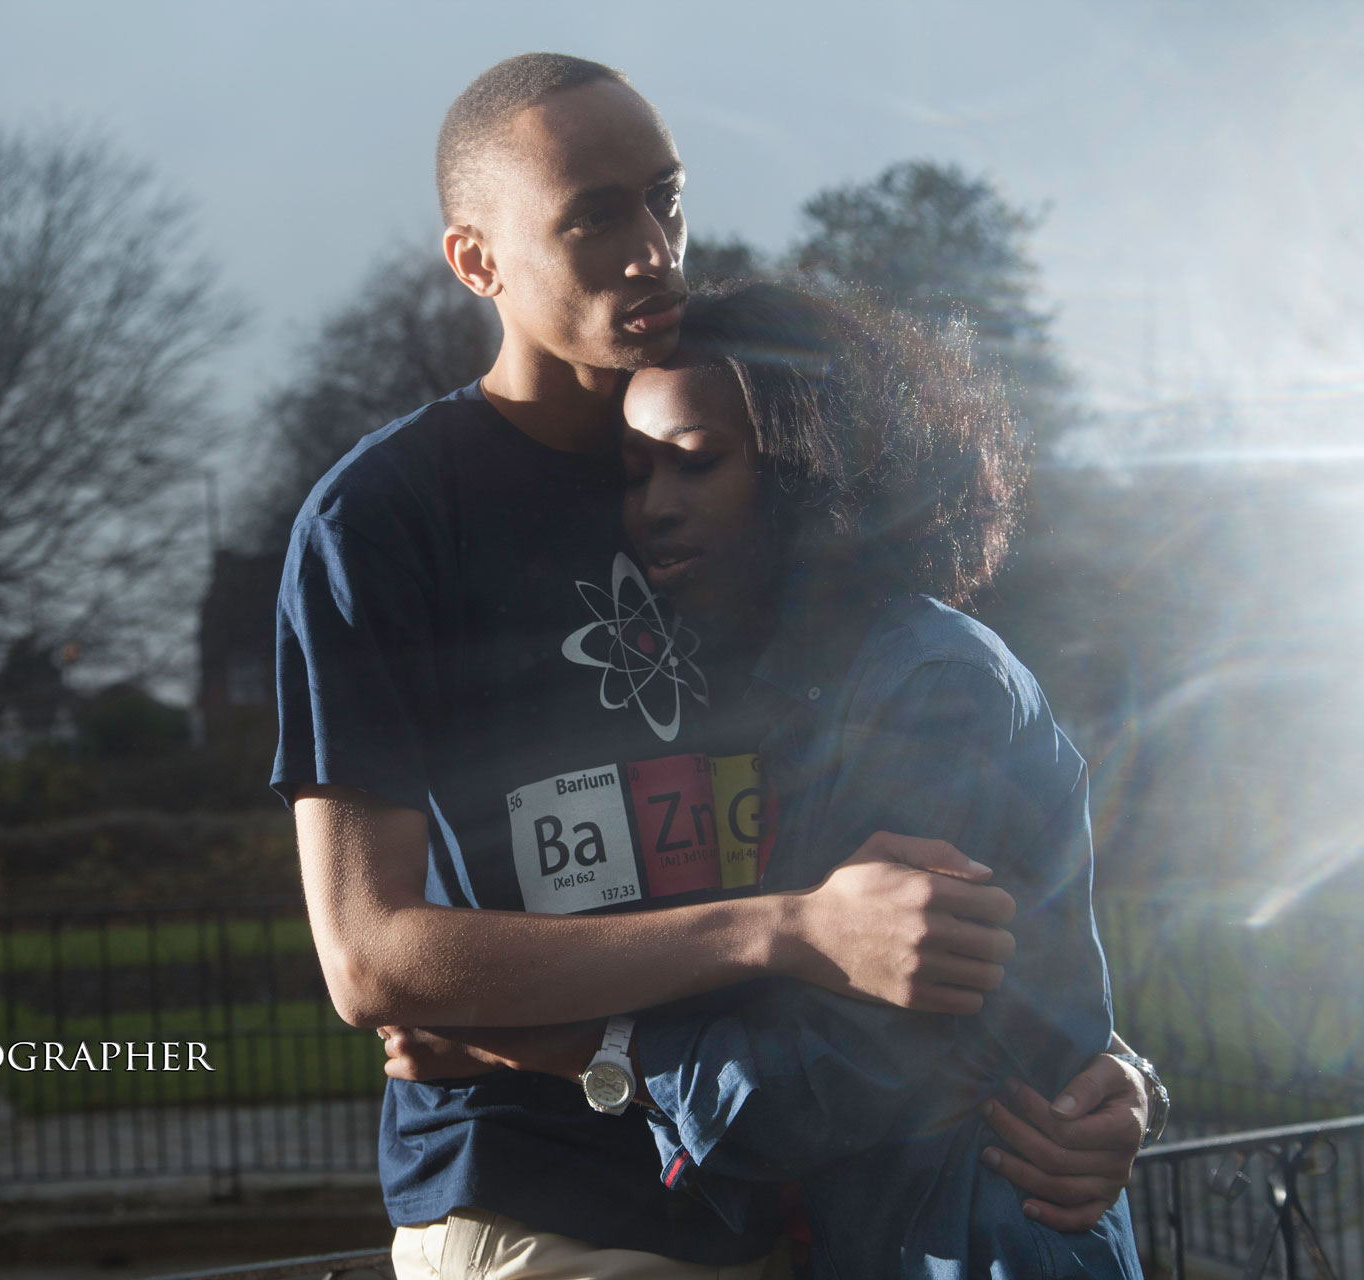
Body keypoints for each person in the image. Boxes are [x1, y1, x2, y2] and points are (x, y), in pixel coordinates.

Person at [273, 52, 1154, 1278]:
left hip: (796, 1197)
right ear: (478, 260)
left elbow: (988, 852)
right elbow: (371, 958)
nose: (652, 249)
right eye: (593, 216)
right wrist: (784, 930)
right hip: (548, 1192)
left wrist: (1097, 1064)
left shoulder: (737, 472)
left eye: (665, 199)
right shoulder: (380, 520)